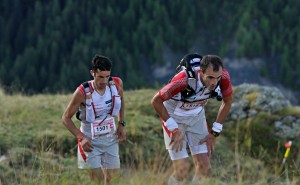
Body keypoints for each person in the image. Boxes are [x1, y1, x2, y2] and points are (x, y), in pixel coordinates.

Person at [151, 54, 233, 184]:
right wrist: (173, 128)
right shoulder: (183, 79)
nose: (213, 82)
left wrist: (214, 133)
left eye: (217, 78)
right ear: (201, 72)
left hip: (196, 117)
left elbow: (227, 102)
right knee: (182, 170)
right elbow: (156, 101)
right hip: (174, 116)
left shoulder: (224, 77)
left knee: (205, 169)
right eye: (210, 77)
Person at [62, 54, 126, 185]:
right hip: (90, 143)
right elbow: (65, 118)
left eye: (107, 76)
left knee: (114, 180)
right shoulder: (82, 92)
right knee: (97, 181)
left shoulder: (116, 84)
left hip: (111, 139)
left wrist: (121, 123)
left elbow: (121, 100)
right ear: (92, 73)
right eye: (100, 77)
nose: (104, 81)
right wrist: (81, 137)